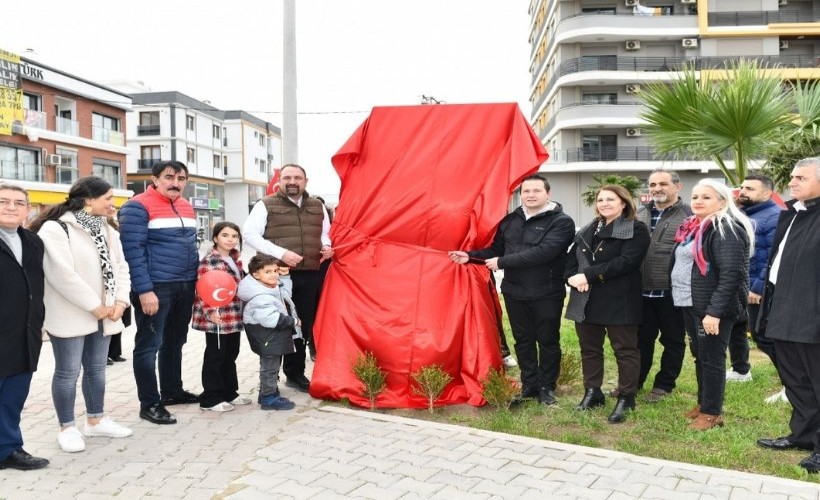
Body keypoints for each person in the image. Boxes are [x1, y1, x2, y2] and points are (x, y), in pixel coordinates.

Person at [449, 174, 575, 406]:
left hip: (547, 292)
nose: (530, 195)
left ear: (548, 194)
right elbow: (496, 250)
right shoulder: (510, 220)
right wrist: (470, 256)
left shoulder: (561, 221)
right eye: (526, 191)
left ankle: (547, 387)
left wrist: (502, 262)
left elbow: (544, 253)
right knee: (523, 340)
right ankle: (529, 386)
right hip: (515, 292)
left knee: (547, 341)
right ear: (521, 194)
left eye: (536, 190)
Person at [30, 176, 133, 453]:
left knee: (97, 369)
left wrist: (121, 302)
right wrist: (94, 305)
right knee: (67, 372)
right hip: (72, 312)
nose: (113, 204)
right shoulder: (55, 229)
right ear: (89, 200)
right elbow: (61, 274)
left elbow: (121, 267)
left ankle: (95, 420)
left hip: (107, 313)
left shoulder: (108, 229)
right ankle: (67, 427)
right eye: (108, 199)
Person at [119, 161, 199, 425]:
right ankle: (150, 403)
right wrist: (144, 291)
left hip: (185, 285)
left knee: (175, 342)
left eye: (181, 178)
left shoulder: (186, 206)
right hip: (156, 287)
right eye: (169, 177)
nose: (176, 182)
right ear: (155, 178)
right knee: (148, 346)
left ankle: (172, 392)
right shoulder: (136, 206)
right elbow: (133, 252)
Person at [242, 164, 333, 393]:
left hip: (310, 274)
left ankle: (295, 374)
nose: (292, 181)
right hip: (276, 276)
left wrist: (327, 246)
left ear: (306, 181)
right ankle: (270, 380)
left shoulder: (317, 205)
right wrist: (281, 254)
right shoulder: (265, 204)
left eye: (297, 178)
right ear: (279, 181)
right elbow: (250, 234)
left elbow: (324, 233)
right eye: (287, 177)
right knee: (277, 325)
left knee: (302, 324)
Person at [670, 179, 753, 431]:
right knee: (700, 357)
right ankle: (703, 403)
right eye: (695, 196)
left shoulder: (725, 227)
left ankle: (712, 413)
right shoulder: (694, 226)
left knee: (712, 359)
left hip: (711, 308)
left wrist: (714, 313)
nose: (697, 201)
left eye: (706, 197)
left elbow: (731, 273)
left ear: (722, 201)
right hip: (690, 302)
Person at [756, 157, 820, 473]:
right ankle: (804, 435)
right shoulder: (792, 214)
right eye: (792, 177)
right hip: (783, 307)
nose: (792, 182)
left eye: (800, 178)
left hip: (813, 314)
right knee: (795, 379)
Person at [565, 185, 650, 423]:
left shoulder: (636, 228)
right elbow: (570, 258)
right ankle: (593, 392)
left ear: (623, 202)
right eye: (600, 199)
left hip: (619, 299)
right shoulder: (589, 228)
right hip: (585, 299)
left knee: (625, 351)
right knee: (590, 350)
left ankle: (626, 397)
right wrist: (572, 278)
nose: (604, 203)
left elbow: (627, 262)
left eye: (610, 199)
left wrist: (588, 276)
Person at [0, 183, 49, 470]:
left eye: (18, 203)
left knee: (13, 395)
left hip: (25, 332)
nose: (11, 207)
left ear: (27, 210)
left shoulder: (33, 241)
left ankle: (8, 449)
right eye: (4, 201)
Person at [636, 170, 691, 403]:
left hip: (671, 292)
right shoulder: (639, 213)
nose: (657, 188)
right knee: (640, 340)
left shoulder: (689, 215)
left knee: (673, 341)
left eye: (663, 183)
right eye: (652, 184)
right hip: (640, 291)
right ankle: (634, 382)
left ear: (677, 187)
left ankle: (664, 385)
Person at [726, 174, 783, 390]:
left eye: (750, 188)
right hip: (740, 284)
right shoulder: (743, 214)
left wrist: (757, 288)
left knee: (763, 336)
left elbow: (772, 256)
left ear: (767, 193)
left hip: (758, 289)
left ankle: (794, 385)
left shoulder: (774, 216)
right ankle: (741, 370)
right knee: (737, 327)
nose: (743, 192)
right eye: (742, 187)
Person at [191, 222, 250, 412]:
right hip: (218, 316)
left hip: (233, 314)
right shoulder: (210, 261)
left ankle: (229, 392)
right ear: (215, 238)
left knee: (230, 355)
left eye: (234, 236)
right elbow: (203, 287)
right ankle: (211, 398)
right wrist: (210, 313)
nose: (230, 239)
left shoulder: (235, 259)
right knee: (215, 357)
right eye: (225, 235)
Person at [237, 254, 300, 410]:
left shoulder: (270, 286)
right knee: (270, 368)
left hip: (271, 337)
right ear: (256, 274)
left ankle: (266, 393)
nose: (274, 275)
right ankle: (268, 398)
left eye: (275, 271)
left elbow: (286, 294)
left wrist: (285, 278)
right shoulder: (260, 296)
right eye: (268, 272)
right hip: (268, 336)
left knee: (271, 366)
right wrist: (293, 321)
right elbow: (270, 319)